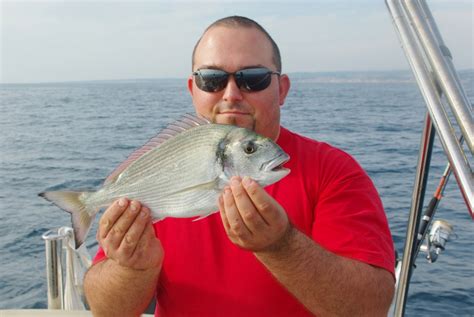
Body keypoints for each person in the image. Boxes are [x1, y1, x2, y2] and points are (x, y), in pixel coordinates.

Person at [84, 16, 395, 316]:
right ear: (193, 90)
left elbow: (369, 309)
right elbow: (106, 311)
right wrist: (131, 268)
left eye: (253, 79)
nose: (231, 95)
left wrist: (281, 246)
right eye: (212, 79)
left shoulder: (332, 171)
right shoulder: (159, 170)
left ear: (282, 89)